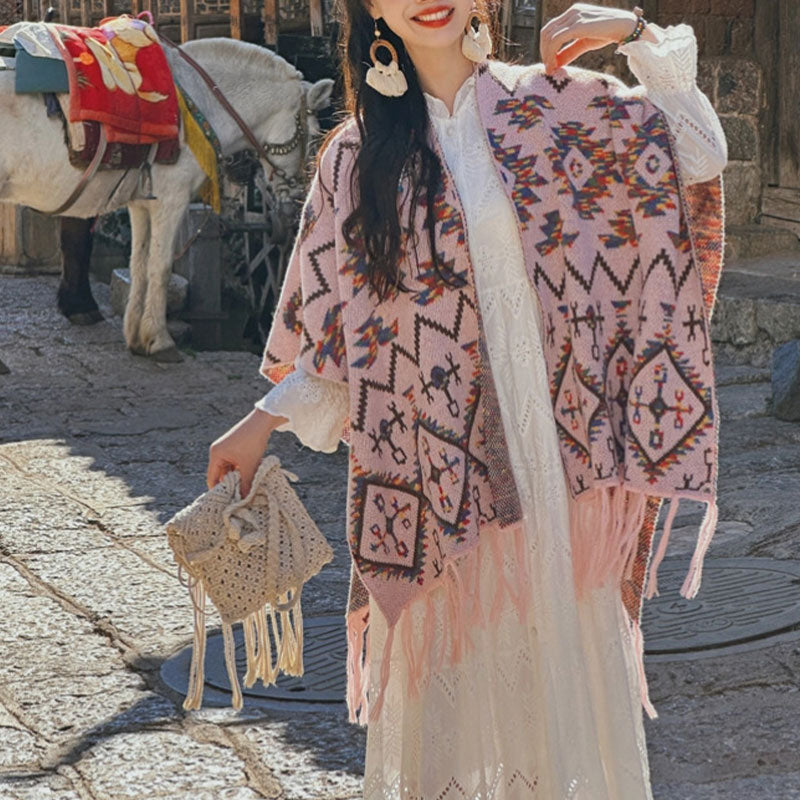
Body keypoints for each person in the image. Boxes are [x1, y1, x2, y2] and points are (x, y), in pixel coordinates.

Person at [207, 2, 727, 797]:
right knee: (458, 696)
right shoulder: (353, 160)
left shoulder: (558, 103)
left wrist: (632, 32)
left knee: (563, 685)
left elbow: (696, 151)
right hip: (436, 482)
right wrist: (256, 425)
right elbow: (336, 344)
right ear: (371, 9)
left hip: (562, 472)